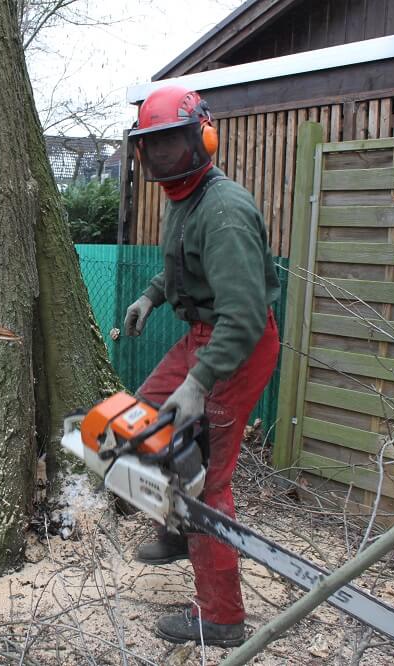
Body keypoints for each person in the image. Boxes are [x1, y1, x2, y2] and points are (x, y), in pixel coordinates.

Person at [123, 83, 281, 647]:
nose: (163, 157)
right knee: (143, 422)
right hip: (203, 335)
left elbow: (242, 317)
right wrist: (149, 296)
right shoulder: (185, 201)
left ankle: (221, 617)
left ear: (203, 138)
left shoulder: (226, 212)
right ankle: (174, 527)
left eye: (174, 145)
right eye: (153, 147)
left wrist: (199, 382)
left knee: (208, 479)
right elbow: (182, 266)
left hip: (234, 344)